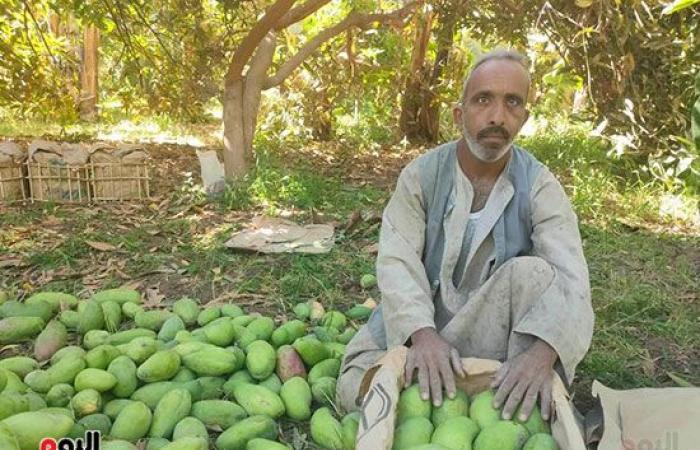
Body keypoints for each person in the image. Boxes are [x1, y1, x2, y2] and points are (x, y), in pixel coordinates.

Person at [336, 49, 594, 423]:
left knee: (533, 275)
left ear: (524, 117)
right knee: (355, 388)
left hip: (498, 334)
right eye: (483, 99)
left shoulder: (539, 184)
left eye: (513, 103)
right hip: (421, 323)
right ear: (460, 114)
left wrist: (541, 356)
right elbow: (397, 262)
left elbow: (572, 279)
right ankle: (453, 379)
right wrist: (422, 337)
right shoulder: (421, 176)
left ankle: (505, 384)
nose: (496, 116)